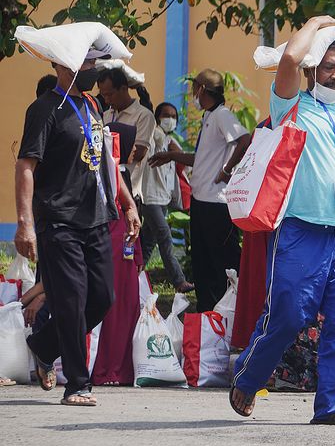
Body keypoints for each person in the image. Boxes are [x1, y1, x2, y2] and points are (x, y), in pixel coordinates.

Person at [230, 15, 335, 425]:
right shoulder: (291, 104)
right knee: (290, 314)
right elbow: (290, 58)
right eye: (329, 66)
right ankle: (248, 375)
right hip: (300, 229)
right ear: (314, 69)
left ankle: (333, 406)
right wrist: (317, 23)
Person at [16, 53, 140, 406]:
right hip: (59, 220)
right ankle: (77, 384)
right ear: (62, 66)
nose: (93, 71)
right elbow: (25, 166)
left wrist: (128, 203)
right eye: (85, 65)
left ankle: (43, 345)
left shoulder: (92, 105)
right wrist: (25, 224)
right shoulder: (44, 110)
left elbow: (107, 160)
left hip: (97, 217)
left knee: (102, 297)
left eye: (93, 64)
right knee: (71, 302)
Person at [149, 69, 250, 312]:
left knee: (220, 265)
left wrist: (226, 171)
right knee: (203, 264)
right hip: (201, 201)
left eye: (195, 89)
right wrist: (172, 155)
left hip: (216, 203)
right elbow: (202, 159)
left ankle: (225, 314)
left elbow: (245, 141)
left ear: (202, 90)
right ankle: (207, 314)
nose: (193, 94)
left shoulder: (222, 115)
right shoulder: (210, 116)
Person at [91, 122, 142, 387]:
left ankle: (121, 371)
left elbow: (133, 217)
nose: (135, 150)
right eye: (131, 145)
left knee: (127, 311)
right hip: (111, 249)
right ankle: (107, 369)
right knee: (111, 312)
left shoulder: (122, 173)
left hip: (127, 253)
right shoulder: (109, 173)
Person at [141, 102, 193, 293]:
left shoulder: (171, 140)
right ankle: (178, 280)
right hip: (149, 197)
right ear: (157, 117)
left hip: (162, 198)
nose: (170, 119)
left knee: (147, 242)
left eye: (173, 116)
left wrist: (172, 152)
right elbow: (163, 144)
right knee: (164, 235)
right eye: (165, 115)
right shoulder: (155, 134)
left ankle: (133, 274)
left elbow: (181, 157)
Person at [98, 67, 157, 203]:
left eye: (110, 94)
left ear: (124, 89)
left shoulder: (144, 116)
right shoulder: (105, 115)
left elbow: (139, 153)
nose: (106, 101)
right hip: (106, 191)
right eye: (103, 95)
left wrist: (106, 153)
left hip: (129, 192)